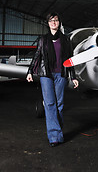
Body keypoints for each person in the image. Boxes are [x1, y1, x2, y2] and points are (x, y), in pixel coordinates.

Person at [26, 12, 79, 147]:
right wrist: (30, 71)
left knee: (59, 106)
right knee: (50, 104)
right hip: (46, 75)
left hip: (61, 74)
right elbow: (37, 56)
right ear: (48, 23)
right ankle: (54, 136)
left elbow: (70, 60)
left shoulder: (66, 40)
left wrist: (73, 76)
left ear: (59, 22)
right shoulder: (43, 39)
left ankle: (57, 132)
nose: (53, 22)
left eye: (56, 20)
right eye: (51, 21)